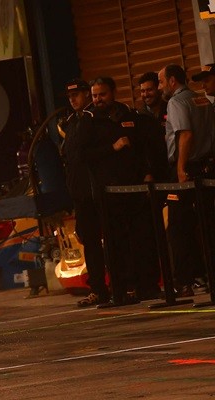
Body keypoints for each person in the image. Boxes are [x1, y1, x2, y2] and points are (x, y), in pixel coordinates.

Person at [81, 76, 161, 304]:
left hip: (135, 189)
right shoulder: (88, 121)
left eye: (102, 94)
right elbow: (82, 156)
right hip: (108, 193)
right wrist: (111, 148)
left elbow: (143, 147)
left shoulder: (128, 115)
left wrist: (147, 172)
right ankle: (121, 289)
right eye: (94, 95)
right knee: (116, 243)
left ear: (113, 92)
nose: (98, 99)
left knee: (143, 239)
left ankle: (147, 286)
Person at [158, 64, 215, 296]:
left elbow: (185, 134)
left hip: (187, 168)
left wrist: (180, 168)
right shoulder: (202, 101)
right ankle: (206, 276)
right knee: (207, 223)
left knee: (178, 227)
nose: (160, 86)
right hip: (206, 166)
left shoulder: (176, 102)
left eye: (161, 82)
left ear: (172, 81)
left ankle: (184, 281)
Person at [58, 78, 109, 307]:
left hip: (96, 189)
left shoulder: (93, 117)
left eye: (77, 95)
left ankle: (121, 285)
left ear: (87, 94)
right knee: (89, 242)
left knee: (111, 239)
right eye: (70, 97)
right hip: (80, 192)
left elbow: (90, 153)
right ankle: (98, 289)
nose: (73, 99)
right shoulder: (71, 122)